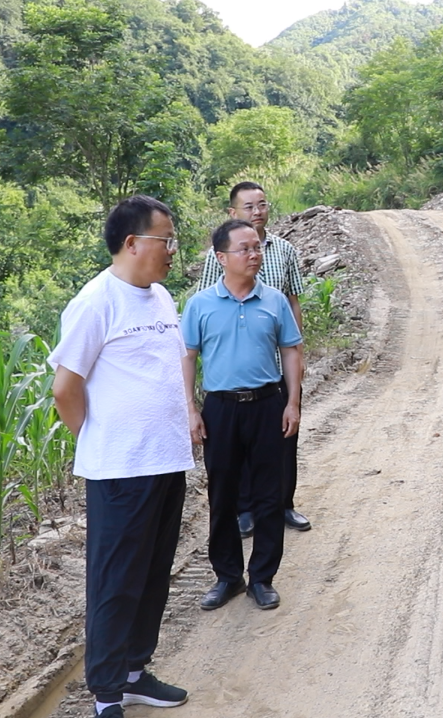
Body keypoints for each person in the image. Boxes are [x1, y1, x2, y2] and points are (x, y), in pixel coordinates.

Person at [49, 195, 194, 718]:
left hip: (164, 459)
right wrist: (99, 438)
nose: (173, 249)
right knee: (115, 580)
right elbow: (66, 388)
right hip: (120, 468)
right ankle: (107, 692)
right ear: (132, 243)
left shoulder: (160, 297)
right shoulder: (95, 301)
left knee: (154, 573)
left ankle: (135, 672)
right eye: (165, 239)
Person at [183, 219, 303, 611]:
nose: (254, 255)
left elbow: (291, 351)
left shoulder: (274, 301)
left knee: (269, 495)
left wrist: (293, 402)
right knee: (223, 495)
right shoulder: (200, 304)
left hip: (268, 403)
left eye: (257, 248)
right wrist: (191, 409)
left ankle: (263, 578)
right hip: (220, 408)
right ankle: (228, 577)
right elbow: (188, 356)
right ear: (221, 257)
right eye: (244, 249)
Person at [198, 182, 310, 535]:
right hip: (236, 361)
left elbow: (293, 301)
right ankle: (246, 508)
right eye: (248, 206)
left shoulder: (284, 250)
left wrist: (298, 351)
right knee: (241, 440)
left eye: (262, 204)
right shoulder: (219, 255)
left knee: (284, 436)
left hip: (275, 360)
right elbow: (207, 304)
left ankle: (284, 504)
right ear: (233, 213)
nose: (257, 211)